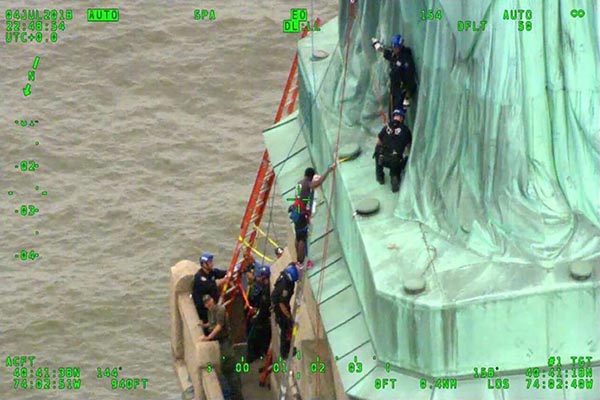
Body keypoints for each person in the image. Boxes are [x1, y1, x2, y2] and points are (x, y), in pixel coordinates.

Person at [200, 295, 244, 400]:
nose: (208, 304)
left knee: (229, 368)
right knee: (226, 370)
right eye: (206, 303)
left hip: (224, 342)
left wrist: (208, 337)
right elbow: (212, 324)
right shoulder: (210, 312)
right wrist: (203, 325)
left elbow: (219, 326)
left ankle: (237, 395)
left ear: (213, 300)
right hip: (219, 342)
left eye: (209, 301)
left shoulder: (220, 310)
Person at [289, 165, 335, 264]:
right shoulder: (307, 184)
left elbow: (299, 198)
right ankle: (301, 262)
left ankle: (298, 258)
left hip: (295, 211)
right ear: (311, 176)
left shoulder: (299, 183)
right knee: (302, 238)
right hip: (301, 214)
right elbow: (319, 182)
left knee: (297, 236)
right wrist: (328, 170)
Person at [372, 34, 417, 118]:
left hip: (401, 91)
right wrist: (377, 46)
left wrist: (407, 96)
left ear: (400, 46)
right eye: (393, 47)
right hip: (394, 90)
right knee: (392, 113)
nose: (394, 49)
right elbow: (388, 53)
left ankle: (397, 129)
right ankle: (393, 128)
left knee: (398, 114)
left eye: (396, 47)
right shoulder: (395, 55)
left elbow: (409, 80)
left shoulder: (405, 60)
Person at [373, 108, 412, 192]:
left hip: (382, 156)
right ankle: (394, 178)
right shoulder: (406, 130)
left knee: (378, 152)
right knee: (396, 167)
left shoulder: (387, 126)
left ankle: (380, 177)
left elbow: (378, 141)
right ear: (402, 118)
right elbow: (409, 146)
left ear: (393, 116)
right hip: (395, 159)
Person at [271, 263, 299, 359]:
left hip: (280, 304)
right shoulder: (285, 286)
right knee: (286, 328)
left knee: (288, 327)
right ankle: (285, 352)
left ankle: (288, 346)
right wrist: (287, 316)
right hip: (280, 308)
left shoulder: (285, 274)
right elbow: (281, 303)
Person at [192, 252, 228, 324]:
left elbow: (223, 273)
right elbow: (212, 285)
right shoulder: (199, 277)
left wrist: (231, 271)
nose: (212, 264)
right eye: (209, 262)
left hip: (213, 305)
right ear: (203, 264)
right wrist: (225, 280)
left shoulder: (211, 272)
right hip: (204, 310)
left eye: (211, 261)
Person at [246, 265, 272, 363]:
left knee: (252, 339)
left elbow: (264, 310)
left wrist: (256, 317)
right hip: (262, 317)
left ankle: (251, 359)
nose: (259, 278)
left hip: (263, 321)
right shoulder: (266, 286)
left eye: (261, 276)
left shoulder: (266, 292)